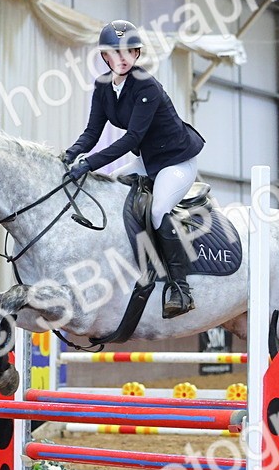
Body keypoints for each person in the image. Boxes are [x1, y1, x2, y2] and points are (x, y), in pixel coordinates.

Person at [63, 20, 205, 319]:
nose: (124, 57)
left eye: (131, 50)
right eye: (116, 52)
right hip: (147, 161)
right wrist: (71, 154)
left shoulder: (147, 86)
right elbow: (92, 132)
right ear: (105, 56)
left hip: (176, 161)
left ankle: (181, 288)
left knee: (157, 211)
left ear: (138, 54)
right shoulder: (103, 86)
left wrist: (88, 164)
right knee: (106, 194)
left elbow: (132, 139)